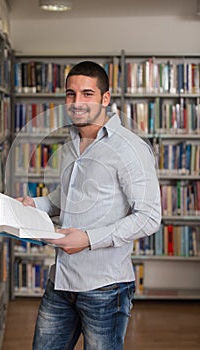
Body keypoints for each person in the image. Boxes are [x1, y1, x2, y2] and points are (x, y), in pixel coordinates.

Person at [18, 61, 161, 350]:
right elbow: (68, 198)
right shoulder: (70, 144)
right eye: (71, 94)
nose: (77, 103)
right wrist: (36, 204)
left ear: (105, 99)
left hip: (105, 288)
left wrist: (88, 239)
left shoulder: (129, 148)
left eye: (87, 94)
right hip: (60, 281)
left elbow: (149, 217)